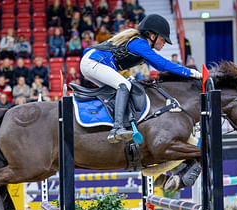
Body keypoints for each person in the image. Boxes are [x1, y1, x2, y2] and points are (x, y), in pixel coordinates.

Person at [80, 14, 202, 143]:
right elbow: (162, 63)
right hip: (93, 62)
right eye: (163, 39)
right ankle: (117, 128)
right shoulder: (139, 43)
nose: (165, 43)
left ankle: (111, 125)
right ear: (152, 36)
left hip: (92, 62)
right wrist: (190, 72)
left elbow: (159, 67)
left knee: (119, 90)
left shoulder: (140, 44)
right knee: (124, 85)